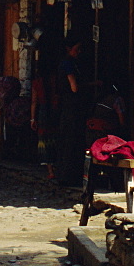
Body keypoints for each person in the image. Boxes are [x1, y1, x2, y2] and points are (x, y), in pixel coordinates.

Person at [55, 33, 86, 186]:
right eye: (77, 49)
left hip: (66, 105)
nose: (79, 52)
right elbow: (74, 87)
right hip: (71, 106)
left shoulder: (68, 63)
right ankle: (68, 176)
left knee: (66, 139)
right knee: (71, 139)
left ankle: (64, 174)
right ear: (69, 49)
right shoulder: (68, 65)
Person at [30, 54, 57, 179]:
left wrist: (32, 118)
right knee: (55, 138)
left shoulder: (37, 83)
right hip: (55, 111)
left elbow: (34, 102)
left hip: (43, 112)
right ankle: (57, 166)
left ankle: (50, 171)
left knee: (45, 140)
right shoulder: (54, 80)